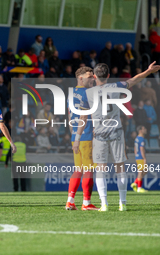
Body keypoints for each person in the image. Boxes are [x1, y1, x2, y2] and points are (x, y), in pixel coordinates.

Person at [78, 61, 160, 212]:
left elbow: (83, 118)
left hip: (99, 134)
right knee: (120, 168)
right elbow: (135, 79)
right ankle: (122, 203)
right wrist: (148, 71)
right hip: (116, 132)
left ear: (95, 76)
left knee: (100, 169)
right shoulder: (116, 86)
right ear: (108, 76)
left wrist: (77, 138)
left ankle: (104, 205)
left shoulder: (87, 94)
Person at [66, 66, 98, 211]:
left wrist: (73, 135)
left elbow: (69, 115)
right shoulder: (88, 93)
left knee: (78, 169)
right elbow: (85, 116)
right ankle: (86, 202)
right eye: (89, 76)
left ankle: (70, 201)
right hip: (85, 135)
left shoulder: (71, 93)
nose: (92, 78)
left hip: (75, 135)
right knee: (89, 169)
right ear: (80, 77)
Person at [131, 126, 148, 193]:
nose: (145, 130)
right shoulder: (141, 139)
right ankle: (139, 188)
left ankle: (135, 183)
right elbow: (142, 149)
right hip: (141, 157)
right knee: (141, 172)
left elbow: (135, 149)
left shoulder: (137, 138)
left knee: (145, 171)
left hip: (137, 157)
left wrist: (136, 155)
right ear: (140, 130)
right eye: (144, 129)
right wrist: (144, 158)